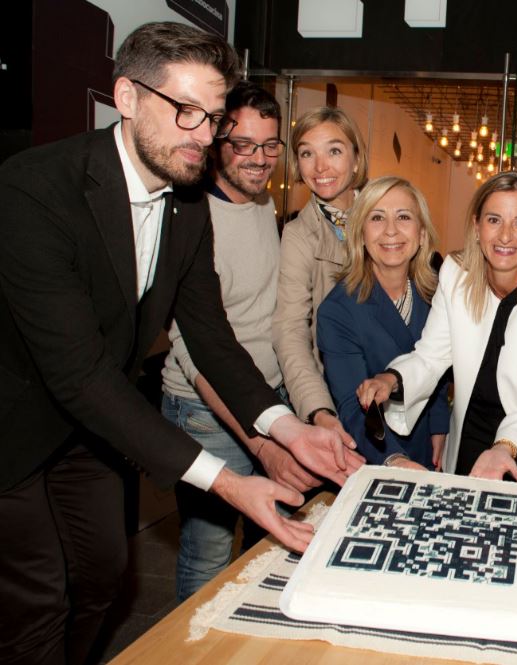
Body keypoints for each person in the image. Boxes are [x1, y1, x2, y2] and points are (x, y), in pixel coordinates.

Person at [0, 22, 362, 664]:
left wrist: (288, 428)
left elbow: (211, 336)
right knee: (38, 600)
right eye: (185, 110)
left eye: (212, 117)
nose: (203, 134)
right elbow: (80, 375)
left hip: (91, 432)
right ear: (128, 97)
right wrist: (229, 482)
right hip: (16, 425)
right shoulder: (34, 188)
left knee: (103, 578)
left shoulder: (186, 201)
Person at [160, 81, 323, 601]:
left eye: (270, 145)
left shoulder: (261, 204)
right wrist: (260, 444)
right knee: (208, 556)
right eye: (243, 145)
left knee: (266, 546)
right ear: (216, 142)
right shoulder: (190, 219)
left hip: (268, 399)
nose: (259, 158)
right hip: (206, 410)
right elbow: (196, 353)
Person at [357, 171, 517, 486]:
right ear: (477, 227)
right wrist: (391, 379)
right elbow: (431, 356)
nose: (505, 236)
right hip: (469, 444)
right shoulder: (455, 275)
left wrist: (502, 449)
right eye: (494, 220)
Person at [317, 176, 450, 469]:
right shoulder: (337, 310)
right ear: (360, 234)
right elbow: (352, 407)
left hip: (427, 446)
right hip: (373, 455)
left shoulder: (436, 295)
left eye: (403, 217)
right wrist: (393, 459)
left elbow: (438, 365)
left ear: (422, 234)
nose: (391, 230)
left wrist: (439, 424)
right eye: (377, 217)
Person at [273, 106, 368, 430]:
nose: (320, 166)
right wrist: (318, 409)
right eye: (307, 153)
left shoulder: (387, 215)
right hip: (337, 396)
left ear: (356, 159)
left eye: (334, 151)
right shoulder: (299, 234)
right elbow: (290, 329)